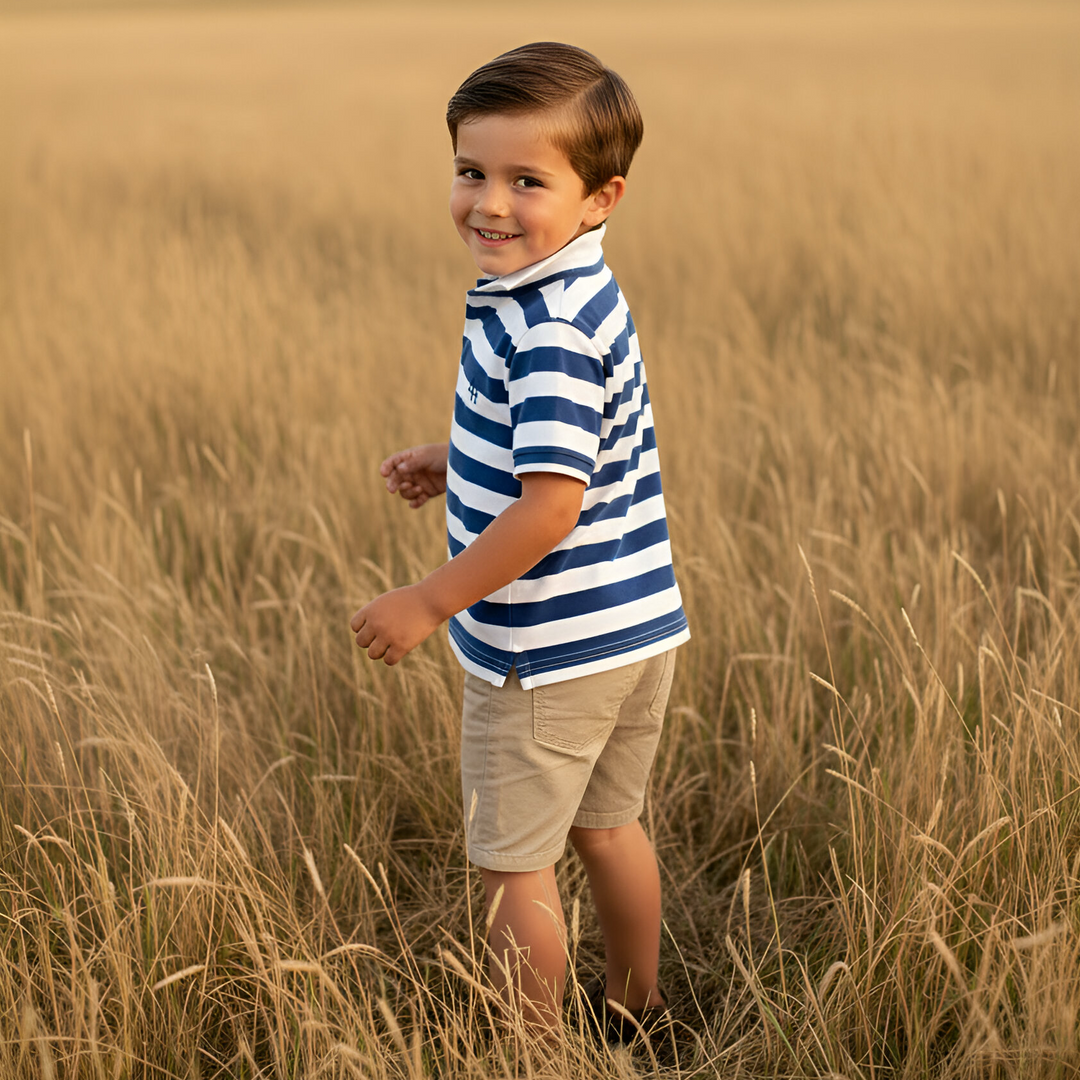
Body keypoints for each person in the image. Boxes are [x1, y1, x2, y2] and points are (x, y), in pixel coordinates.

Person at [350, 42, 689, 1040]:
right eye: (470, 171)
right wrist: (458, 459)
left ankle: (532, 1050)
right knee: (608, 826)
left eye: (526, 180)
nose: (489, 202)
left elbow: (550, 509)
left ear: (600, 196)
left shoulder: (542, 322)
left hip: (545, 655)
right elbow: (569, 451)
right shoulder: (576, 290)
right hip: (633, 634)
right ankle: (638, 1005)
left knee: (515, 864)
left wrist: (427, 600)